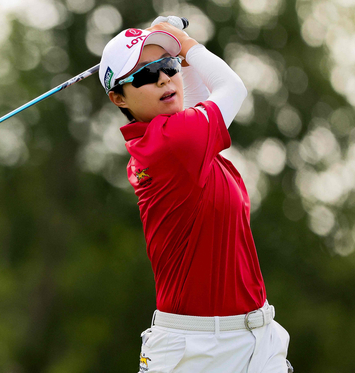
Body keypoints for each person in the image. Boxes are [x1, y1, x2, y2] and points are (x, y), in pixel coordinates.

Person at [98, 17, 293, 373]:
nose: (163, 78)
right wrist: (184, 43)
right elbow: (232, 88)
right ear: (118, 97)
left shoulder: (169, 142)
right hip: (195, 352)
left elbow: (196, 95)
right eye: (143, 74)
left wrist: (178, 56)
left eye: (167, 66)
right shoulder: (172, 143)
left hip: (258, 339)